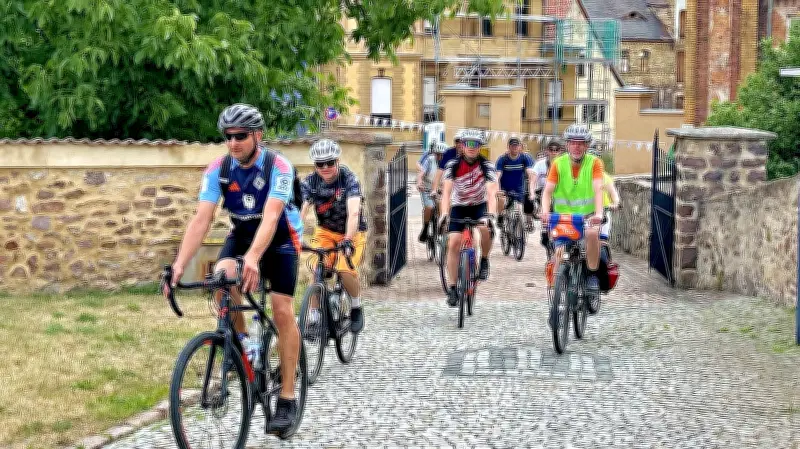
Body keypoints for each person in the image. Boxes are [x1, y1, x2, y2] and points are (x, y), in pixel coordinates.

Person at [164, 103, 303, 432]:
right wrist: (178, 266)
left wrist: (254, 258)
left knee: (282, 310)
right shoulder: (218, 169)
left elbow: (271, 216)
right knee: (223, 277)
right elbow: (202, 218)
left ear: (257, 135)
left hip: (280, 237)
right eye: (227, 136)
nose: (233, 142)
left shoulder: (278, 166)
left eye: (240, 136)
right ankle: (243, 343)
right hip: (241, 232)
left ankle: (287, 397)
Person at [300, 139, 367, 333]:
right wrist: (293, 236)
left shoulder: (349, 179)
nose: (326, 167)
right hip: (326, 232)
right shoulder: (310, 182)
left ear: (337, 161)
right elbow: (302, 211)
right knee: (318, 269)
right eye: (320, 164)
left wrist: (347, 239)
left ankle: (356, 306)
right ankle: (314, 318)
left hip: (351, 231)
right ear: (315, 165)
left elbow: (354, 212)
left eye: (330, 162)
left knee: (345, 269)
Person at [540, 123, 605, 299]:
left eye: (581, 143)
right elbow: (547, 192)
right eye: (573, 143)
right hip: (564, 219)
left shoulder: (595, 163)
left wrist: (599, 214)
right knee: (558, 256)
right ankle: (556, 303)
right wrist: (545, 212)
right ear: (567, 145)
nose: (576, 146)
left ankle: (592, 275)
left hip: (588, 217)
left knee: (592, 235)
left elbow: (598, 189)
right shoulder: (558, 164)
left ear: (586, 145)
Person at [438, 129, 498, 307]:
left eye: (475, 144)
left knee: (485, 229)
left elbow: (491, 192)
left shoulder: (487, 166)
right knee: (454, 242)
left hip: (479, 206)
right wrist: (443, 214)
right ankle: (453, 287)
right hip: (459, 206)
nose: (471, 147)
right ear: (462, 146)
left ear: (480, 147)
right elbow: (447, 193)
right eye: (468, 144)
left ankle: (485, 259)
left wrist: (492, 215)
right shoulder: (453, 165)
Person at [495, 137, 536, 232]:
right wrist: (497, 189)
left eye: (516, 145)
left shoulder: (524, 158)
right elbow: (497, 176)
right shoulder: (502, 159)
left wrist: (531, 191)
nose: (514, 148)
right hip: (505, 188)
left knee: (519, 210)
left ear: (519, 147)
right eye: (512, 146)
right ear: (508, 147)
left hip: (519, 189)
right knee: (501, 200)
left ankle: (520, 232)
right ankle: (500, 216)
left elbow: (530, 173)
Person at [532, 139, 565, 251]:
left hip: (560, 192)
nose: (554, 152)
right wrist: (531, 192)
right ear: (547, 151)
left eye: (557, 150)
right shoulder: (540, 164)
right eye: (551, 149)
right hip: (543, 190)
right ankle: (545, 230)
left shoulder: (564, 164)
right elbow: (533, 180)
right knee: (544, 205)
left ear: (560, 151)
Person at [417, 140, 446, 243]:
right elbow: (421, 173)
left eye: (442, 155)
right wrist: (419, 183)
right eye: (438, 154)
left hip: (441, 189)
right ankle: (425, 229)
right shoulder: (429, 160)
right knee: (429, 207)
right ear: (434, 153)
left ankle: (441, 226)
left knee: (443, 207)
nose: (440, 157)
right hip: (427, 188)